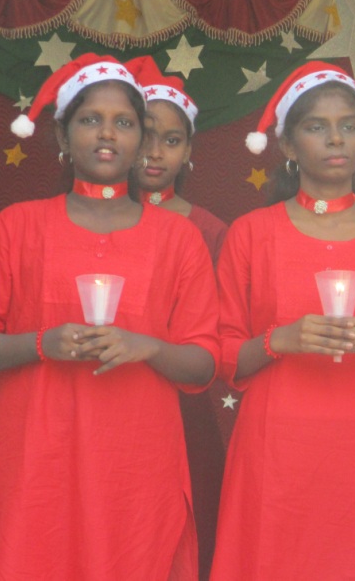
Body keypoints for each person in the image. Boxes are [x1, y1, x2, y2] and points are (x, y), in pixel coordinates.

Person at [0, 54, 219, 580]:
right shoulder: (18, 226)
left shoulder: (179, 239)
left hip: (137, 473)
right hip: (36, 467)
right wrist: (40, 343)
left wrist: (148, 347)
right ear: (63, 135)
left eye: (125, 122)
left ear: (140, 139)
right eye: (91, 119)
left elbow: (204, 362)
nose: (107, 133)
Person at [212, 61, 355, 580]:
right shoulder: (251, 233)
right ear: (287, 144)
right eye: (316, 127)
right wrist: (279, 339)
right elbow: (223, 355)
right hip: (275, 446)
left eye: (349, 126)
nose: (335, 139)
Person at [131, 55, 231, 580]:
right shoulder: (81, 219)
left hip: (184, 405)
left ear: (189, 151)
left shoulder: (208, 230)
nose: (154, 151)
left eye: (171, 140)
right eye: (144, 134)